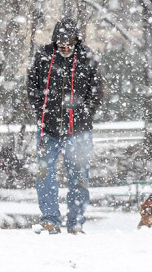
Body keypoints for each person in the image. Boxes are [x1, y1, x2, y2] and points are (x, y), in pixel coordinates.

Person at [27, 18, 103, 234]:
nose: (65, 45)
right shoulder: (43, 57)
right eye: (61, 41)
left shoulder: (87, 58)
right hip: (47, 129)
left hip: (78, 131)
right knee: (44, 174)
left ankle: (76, 222)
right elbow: (32, 86)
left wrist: (84, 113)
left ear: (76, 41)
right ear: (55, 40)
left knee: (79, 176)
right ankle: (49, 219)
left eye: (69, 41)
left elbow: (96, 92)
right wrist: (40, 111)